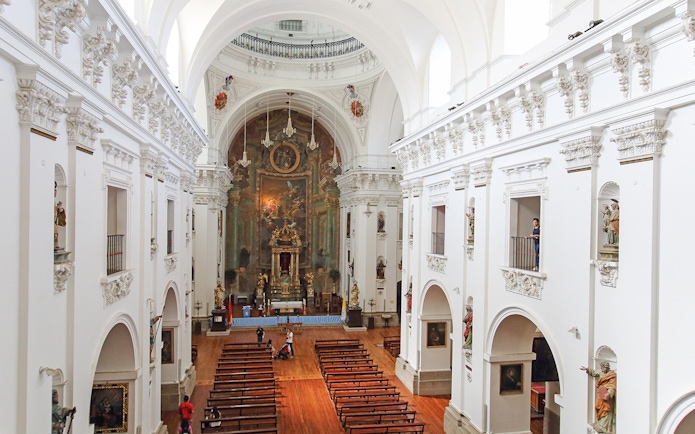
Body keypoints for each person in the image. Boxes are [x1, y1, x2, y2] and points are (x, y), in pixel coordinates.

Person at [581, 361, 617, 434]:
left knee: (606, 410)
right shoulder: (601, 372)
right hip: (601, 393)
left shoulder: (612, 375)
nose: (602, 369)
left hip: (608, 397)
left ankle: (606, 427)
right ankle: (600, 424)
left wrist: (608, 394)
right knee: (598, 408)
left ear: (606, 367)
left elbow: (612, 387)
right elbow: (594, 372)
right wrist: (587, 370)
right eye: (601, 367)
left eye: (603, 367)